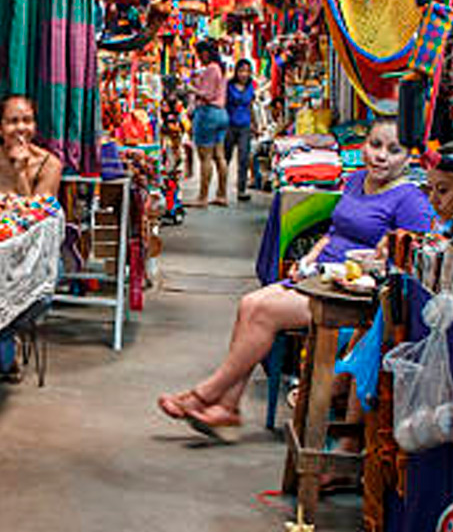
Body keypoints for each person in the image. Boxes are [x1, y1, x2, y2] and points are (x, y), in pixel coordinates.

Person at [157, 117, 434, 441]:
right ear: (363, 147)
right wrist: (308, 259)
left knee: (263, 311)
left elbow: (409, 261)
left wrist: (372, 261)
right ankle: (228, 406)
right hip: (320, 276)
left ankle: (206, 394)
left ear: (408, 158)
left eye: (393, 150)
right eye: (375, 145)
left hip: (353, 294)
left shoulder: (411, 200)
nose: (381, 156)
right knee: (249, 304)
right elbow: (333, 233)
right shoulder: (356, 180)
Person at [0, 94, 62, 197]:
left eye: (27, 120)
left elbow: (39, 207)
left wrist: (21, 173)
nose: (21, 128)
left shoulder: (49, 165)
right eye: (13, 121)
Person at [190, 38, 229, 207]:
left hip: (208, 113)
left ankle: (203, 197)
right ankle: (221, 194)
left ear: (205, 53)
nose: (199, 58)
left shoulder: (211, 69)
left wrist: (191, 88)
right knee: (219, 156)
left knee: (205, 157)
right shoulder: (220, 68)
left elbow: (207, 94)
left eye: (199, 54)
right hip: (221, 114)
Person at [224, 58, 256, 203]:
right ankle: (221, 189)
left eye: (247, 71)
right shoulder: (229, 86)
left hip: (245, 126)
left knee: (243, 158)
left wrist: (255, 124)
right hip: (229, 125)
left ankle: (241, 190)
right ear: (236, 72)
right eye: (241, 71)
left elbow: (251, 106)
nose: (244, 74)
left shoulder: (251, 87)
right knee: (226, 158)